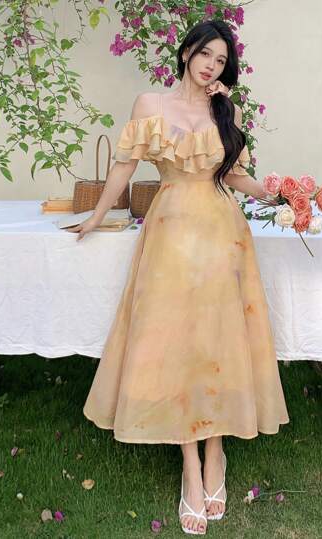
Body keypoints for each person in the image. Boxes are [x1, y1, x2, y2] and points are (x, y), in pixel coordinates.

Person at [68, 19, 290, 536]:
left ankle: (216, 452)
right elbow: (124, 166)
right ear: (187, 51)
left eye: (221, 60)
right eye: (205, 53)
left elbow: (233, 175)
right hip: (169, 235)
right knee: (175, 341)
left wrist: (278, 194)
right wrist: (97, 216)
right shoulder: (150, 104)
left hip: (222, 234)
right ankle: (191, 462)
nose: (211, 65)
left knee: (217, 340)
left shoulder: (226, 110)